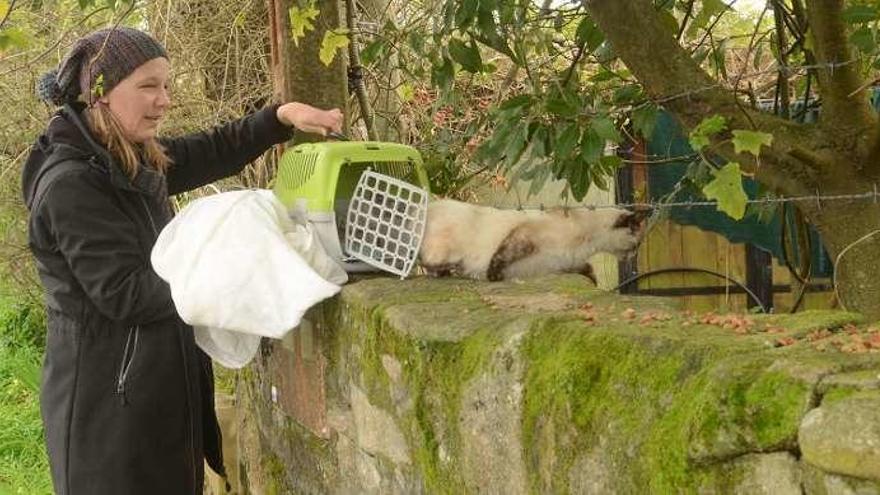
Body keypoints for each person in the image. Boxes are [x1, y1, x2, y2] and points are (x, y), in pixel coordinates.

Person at [20, 27, 343, 495]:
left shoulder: (124, 154)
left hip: (151, 392)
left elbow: (209, 150)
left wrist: (280, 118)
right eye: (148, 86)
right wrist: (234, 266)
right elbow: (126, 294)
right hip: (108, 412)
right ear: (102, 94)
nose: (164, 100)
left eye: (167, 85)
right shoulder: (73, 183)